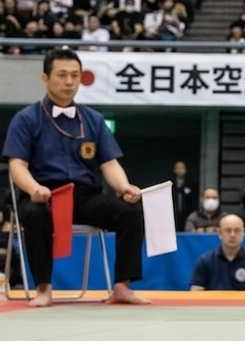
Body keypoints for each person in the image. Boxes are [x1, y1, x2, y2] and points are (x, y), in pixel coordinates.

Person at [2, 48, 149, 307]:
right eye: (62, 75)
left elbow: (110, 163)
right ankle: (43, 288)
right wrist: (34, 188)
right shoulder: (26, 119)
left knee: (130, 211)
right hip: (43, 196)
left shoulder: (93, 119)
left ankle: (122, 286)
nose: (69, 82)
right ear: (45, 79)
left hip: (83, 196)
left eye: (75, 75)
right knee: (36, 216)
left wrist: (124, 187)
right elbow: (17, 165)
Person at [189, 214, 245, 291]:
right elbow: (196, 293)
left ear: (243, 233)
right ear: (219, 233)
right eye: (228, 230)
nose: (232, 235)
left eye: (237, 231)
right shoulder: (205, 261)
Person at [170, 160, 197, 231]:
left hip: (187, 214)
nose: (180, 170)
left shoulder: (191, 184)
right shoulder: (170, 184)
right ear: (174, 170)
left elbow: (193, 199)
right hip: (173, 213)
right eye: (178, 168)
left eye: (182, 168)